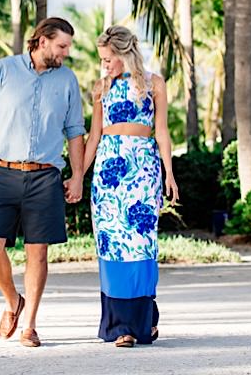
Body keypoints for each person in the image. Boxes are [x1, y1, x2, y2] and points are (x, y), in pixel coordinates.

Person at [0, 17, 87, 348]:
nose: (66, 53)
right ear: (43, 41)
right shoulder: (4, 69)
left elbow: (75, 131)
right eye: (62, 46)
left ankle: (30, 325)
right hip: (3, 172)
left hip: (45, 176)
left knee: (38, 253)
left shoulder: (67, 80)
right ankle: (12, 301)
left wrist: (77, 176)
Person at [74, 25, 179, 347]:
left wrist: (169, 173)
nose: (105, 65)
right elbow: (94, 136)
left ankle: (145, 321)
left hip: (143, 171)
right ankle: (121, 327)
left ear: (124, 53)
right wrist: (78, 174)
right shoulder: (101, 88)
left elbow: (161, 131)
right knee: (112, 247)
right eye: (102, 59)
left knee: (141, 245)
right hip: (108, 173)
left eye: (108, 59)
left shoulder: (154, 84)